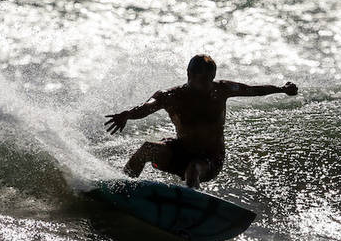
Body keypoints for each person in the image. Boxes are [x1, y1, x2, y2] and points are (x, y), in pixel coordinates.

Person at [104, 54, 298, 188]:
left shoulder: (221, 89)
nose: (207, 84)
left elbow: (254, 90)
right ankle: (122, 187)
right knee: (147, 149)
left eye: (210, 78)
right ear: (189, 75)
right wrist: (127, 114)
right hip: (180, 151)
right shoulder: (171, 96)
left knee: (193, 169)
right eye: (202, 79)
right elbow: (147, 107)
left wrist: (281, 89)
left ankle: (188, 205)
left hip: (210, 159)